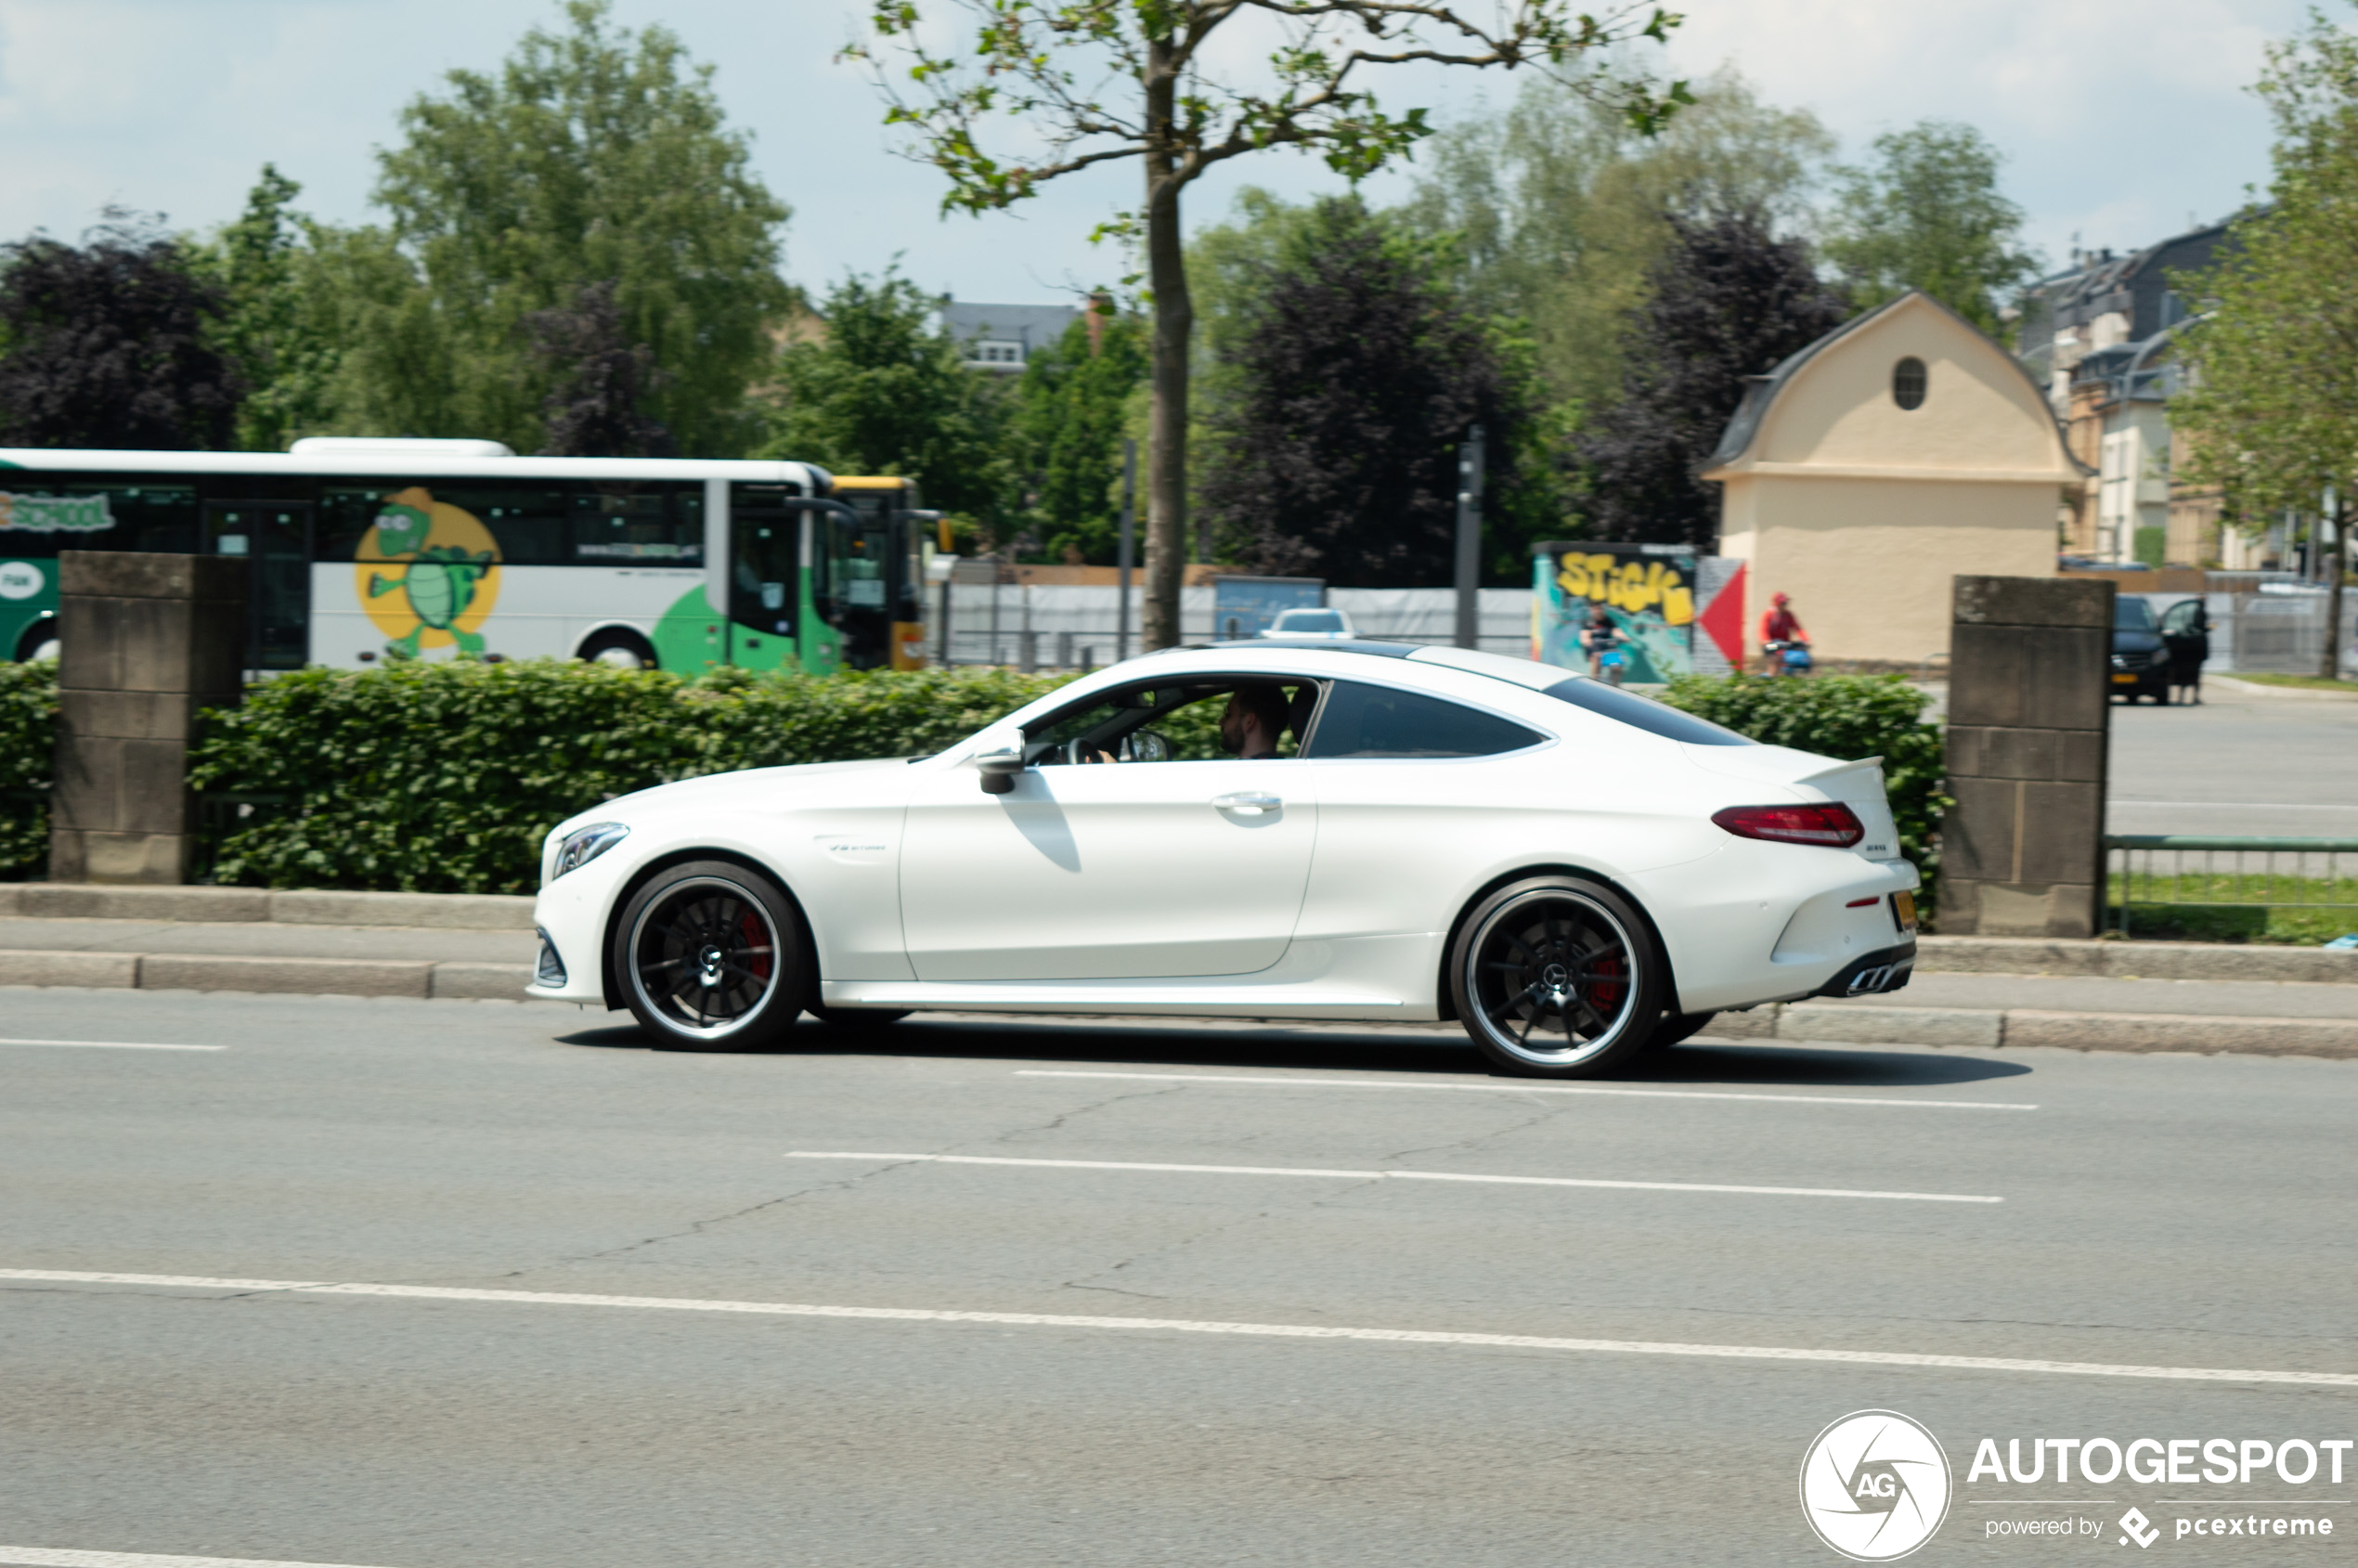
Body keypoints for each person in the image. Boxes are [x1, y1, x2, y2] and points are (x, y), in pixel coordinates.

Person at [1218, 684, 1289, 758]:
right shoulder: (1285, 767)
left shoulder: (1241, 769)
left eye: (1228, 715)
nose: (1220, 722)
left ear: (1249, 721)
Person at [2163, 599, 2210, 705]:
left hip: (2188, 654)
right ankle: (2191, 697)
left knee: (2186, 676)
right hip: (2190, 654)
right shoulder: (2196, 633)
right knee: (2190, 676)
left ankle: (2186, 697)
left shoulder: (2185, 632)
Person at [1759, 591, 1809, 675]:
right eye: (1783, 603)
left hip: (1784, 644)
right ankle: (1771, 675)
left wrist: (1806, 639)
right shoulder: (1768, 614)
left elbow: (1798, 628)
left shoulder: (1788, 615)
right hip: (1771, 645)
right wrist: (1765, 640)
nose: (1785, 605)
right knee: (1774, 661)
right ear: (1776, 604)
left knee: (1792, 664)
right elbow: (1762, 629)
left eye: (1786, 603)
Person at [1581, 604, 1625, 684]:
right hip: (1594, 649)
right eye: (1596, 609)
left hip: (1607, 648)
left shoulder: (1608, 621)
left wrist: (1623, 637)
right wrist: (1587, 641)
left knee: (1617, 666)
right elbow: (1585, 636)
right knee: (1597, 656)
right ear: (1592, 610)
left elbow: (1616, 631)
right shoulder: (1589, 622)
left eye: (1600, 609)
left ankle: (1615, 686)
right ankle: (1595, 682)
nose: (1598, 611)